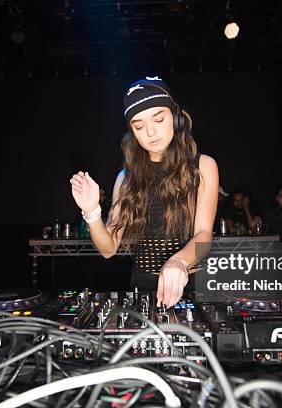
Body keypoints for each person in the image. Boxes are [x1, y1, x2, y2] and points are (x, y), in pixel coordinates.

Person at [69, 76, 219, 307]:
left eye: (159, 119)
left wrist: (178, 262)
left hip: (192, 282)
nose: (151, 132)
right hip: (142, 287)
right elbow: (108, 249)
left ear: (176, 118)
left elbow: (204, 235)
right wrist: (92, 212)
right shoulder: (126, 178)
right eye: (139, 126)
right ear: (132, 132)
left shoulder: (203, 166)